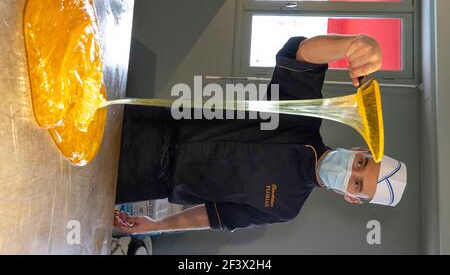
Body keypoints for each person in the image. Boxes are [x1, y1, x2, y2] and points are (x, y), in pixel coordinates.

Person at [113, 34, 407, 235]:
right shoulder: (301, 121)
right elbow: (302, 54)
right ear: (358, 149)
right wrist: (355, 44)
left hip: (148, 181)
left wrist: (157, 226)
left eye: (356, 184)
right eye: (360, 164)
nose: (349, 172)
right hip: (150, 126)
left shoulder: (285, 207)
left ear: (352, 198)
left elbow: (216, 216)